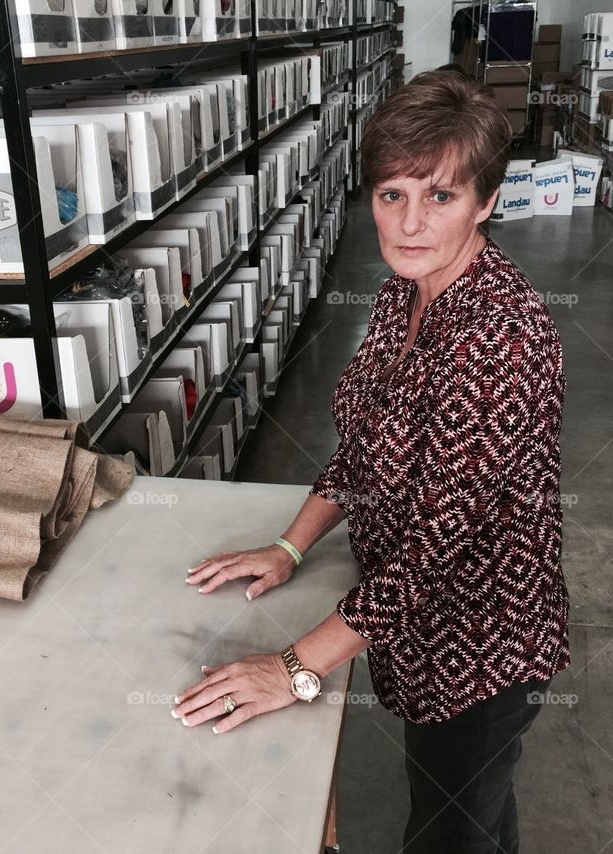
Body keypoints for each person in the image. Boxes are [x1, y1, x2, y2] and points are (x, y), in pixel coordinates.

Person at [171, 70, 570, 854]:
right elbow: (361, 451)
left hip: (483, 648)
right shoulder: (402, 294)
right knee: (470, 804)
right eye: (393, 195)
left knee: (450, 824)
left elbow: (434, 559)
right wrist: (292, 545)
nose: (411, 223)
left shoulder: (502, 339)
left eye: (441, 197)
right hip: (407, 628)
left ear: (487, 201)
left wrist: (294, 668)